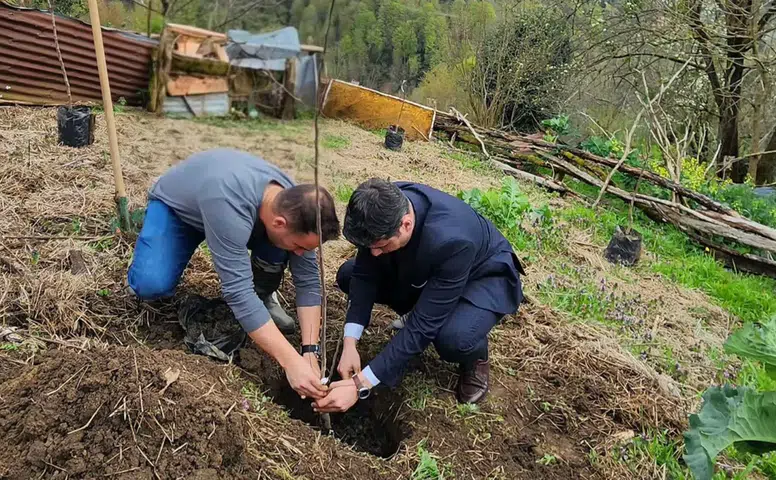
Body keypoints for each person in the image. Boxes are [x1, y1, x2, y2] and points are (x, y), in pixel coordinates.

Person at [128, 148, 339, 401]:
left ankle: (262, 297)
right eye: (302, 246)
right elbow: (238, 293)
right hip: (180, 212)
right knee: (151, 283)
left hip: (238, 220)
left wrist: (310, 351)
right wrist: (291, 362)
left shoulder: (296, 205)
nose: (303, 254)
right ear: (279, 223)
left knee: (283, 248)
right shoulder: (229, 202)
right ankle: (155, 247)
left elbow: (309, 283)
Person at [313, 178, 524, 414]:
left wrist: (359, 384)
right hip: (432, 269)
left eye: (381, 246)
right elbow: (364, 275)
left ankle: (475, 356)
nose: (374, 253)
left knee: (453, 338)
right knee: (348, 275)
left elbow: (422, 326)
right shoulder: (380, 206)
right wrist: (350, 343)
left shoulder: (453, 240)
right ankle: (424, 305)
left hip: (482, 276)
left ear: (405, 224)